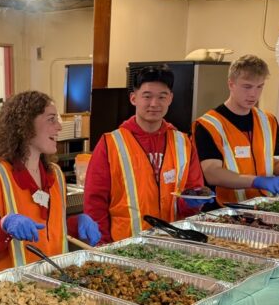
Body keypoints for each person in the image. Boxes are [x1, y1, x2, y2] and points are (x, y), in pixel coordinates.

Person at [0, 91, 101, 278]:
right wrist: (3, 226)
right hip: (11, 293)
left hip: (52, 287)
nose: (59, 127)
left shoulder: (55, 174)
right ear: (25, 126)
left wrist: (75, 225)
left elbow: (47, 230)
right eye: (51, 120)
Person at [84, 66, 207, 243]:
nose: (154, 104)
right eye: (147, 96)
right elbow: (95, 202)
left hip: (173, 245)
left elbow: (192, 193)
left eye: (162, 97)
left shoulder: (184, 143)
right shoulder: (110, 143)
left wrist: (191, 202)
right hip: (125, 246)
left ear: (170, 99)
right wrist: (103, 245)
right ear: (134, 98)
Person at [193, 55, 279, 204]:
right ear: (231, 84)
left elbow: (276, 168)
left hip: (264, 206)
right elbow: (212, 173)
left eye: (259, 86)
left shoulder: (268, 121)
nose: (253, 94)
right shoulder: (208, 125)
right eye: (247, 86)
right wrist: (257, 181)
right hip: (225, 210)